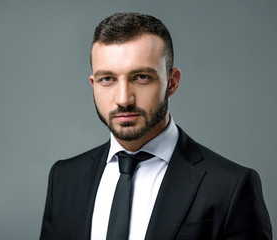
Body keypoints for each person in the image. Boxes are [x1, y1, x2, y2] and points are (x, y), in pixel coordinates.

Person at [40, 12, 272, 240]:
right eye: (107, 79)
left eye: (141, 77)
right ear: (93, 84)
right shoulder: (63, 178)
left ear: (172, 82)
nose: (123, 99)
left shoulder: (231, 186)